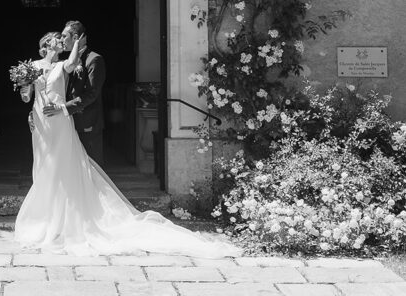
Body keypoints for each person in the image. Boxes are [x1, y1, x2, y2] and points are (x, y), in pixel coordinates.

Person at [15, 29, 240, 257]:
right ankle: (47, 218)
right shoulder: (32, 65)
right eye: (56, 39)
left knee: (63, 167)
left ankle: (65, 221)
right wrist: (25, 92)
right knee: (45, 166)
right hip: (41, 121)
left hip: (60, 122)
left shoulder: (63, 65)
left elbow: (73, 62)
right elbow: (28, 96)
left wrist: (78, 39)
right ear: (45, 45)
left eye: (63, 37)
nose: (60, 41)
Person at [43, 20, 104, 164]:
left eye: (64, 36)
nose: (61, 40)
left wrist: (63, 108)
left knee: (92, 170)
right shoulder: (66, 62)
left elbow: (91, 94)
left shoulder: (94, 59)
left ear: (75, 38)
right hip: (67, 125)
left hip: (86, 124)